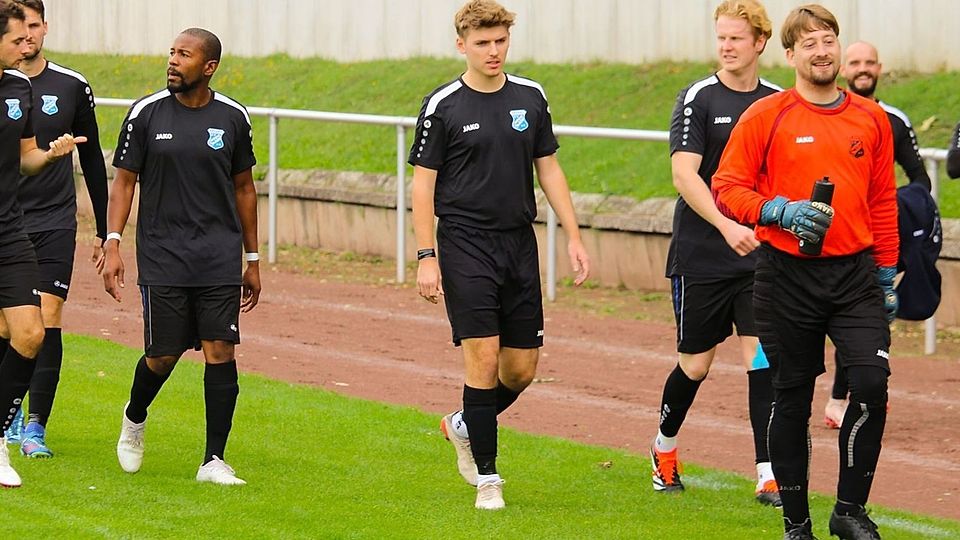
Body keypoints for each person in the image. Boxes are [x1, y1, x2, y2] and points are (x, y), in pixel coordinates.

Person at [712, 5, 897, 539]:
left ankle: (850, 511)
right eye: (809, 43)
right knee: (791, 392)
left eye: (828, 40)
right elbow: (727, 187)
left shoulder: (871, 117)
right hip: (786, 275)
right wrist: (778, 211)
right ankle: (797, 525)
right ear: (790, 55)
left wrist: (886, 273)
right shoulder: (766, 115)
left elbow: (883, 200)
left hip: (856, 276)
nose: (822, 51)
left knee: (871, 381)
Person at [410, 0, 590, 510]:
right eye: (482, 43)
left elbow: (548, 169)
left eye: (500, 41)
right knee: (483, 359)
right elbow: (423, 187)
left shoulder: (530, 97)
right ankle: (488, 479)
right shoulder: (443, 104)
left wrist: (574, 235)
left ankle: (464, 423)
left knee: (521, 370)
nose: (493, 51)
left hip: (518, 244)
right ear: (462, 45)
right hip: (465, 243)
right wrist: (427, 256)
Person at [101, 28, 261, 485]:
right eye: (172, 52)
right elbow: (125, 182)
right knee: (163, 355)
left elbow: (244, 189)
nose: (173, 61)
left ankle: (213, 460)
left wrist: (252, 257)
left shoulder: (232, 117)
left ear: (208, 66)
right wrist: (113, 241)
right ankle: (134, 417)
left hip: (218, 255)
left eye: (184, 55)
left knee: (220, 349)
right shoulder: (146, 113)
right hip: (163, 253)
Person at [652, 0, 781, 507]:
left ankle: (767, 471)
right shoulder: (698, 98)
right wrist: (727, 225)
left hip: (759, 255)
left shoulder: (777, 101)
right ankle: (663, 448)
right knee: (695, 365)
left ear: (760, 44)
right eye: (721, 38)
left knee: (761, 357)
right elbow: (685, 174)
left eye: (736, 39)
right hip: (703, 254)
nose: (726, 47)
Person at [0, 0, 108, 458]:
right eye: (17, 33)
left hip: (31, 228)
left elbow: (37, 158)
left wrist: (51, 153)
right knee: (8, 330)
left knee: (39, 324)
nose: (27, 40)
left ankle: (27, 429)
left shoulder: (38, 87)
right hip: (14, 218)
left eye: (33, 29)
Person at [821, 40, 934, 429]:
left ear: (880, 68)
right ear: (842, 68)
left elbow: (920, 179)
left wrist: (894, 207)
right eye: (855, 62)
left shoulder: (894, 121)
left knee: (868, 319)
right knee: (837, 318)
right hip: (832, 237)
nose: (862, 68)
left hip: (877, 239)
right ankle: (834, 396)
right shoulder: (824, 114)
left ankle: (855, 398)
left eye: (869, 62)